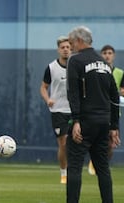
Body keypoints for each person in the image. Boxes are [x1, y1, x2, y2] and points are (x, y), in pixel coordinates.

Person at [66, 26, 121, 203]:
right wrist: (114, 127)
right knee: (103, 168)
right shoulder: (104, 63)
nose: (70, 46)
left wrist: (76, 120)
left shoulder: (75, 61)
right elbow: (114, 97)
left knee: (74, 166)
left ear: (80, 41)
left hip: (85, 121)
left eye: (71, 42)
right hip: (103, 122)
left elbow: (73, 93)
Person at [88, 44, 124, 175]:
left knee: (110, 144)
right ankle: (94, 160)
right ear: (100, 55)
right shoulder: (95, 71)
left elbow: (122, 91)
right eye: (104, 53)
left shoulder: (120, 73)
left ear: (113, 56)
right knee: (94, 140)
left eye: (109, 53)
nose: (107, 56)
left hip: (113, 113)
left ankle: (102, 165)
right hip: (97, 111)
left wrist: (117, 92)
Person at [40, 36, 71, 184]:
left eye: (68, 47)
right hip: (58, 111)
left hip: (75, 111)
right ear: (58, 49)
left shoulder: (77, 66)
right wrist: (48, 100)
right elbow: (43, 88)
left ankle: (75, 171)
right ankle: (64, 173)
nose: (66, 50)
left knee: (79, 143)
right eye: (63, 47)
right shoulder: (51, 67)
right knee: (63, 143)